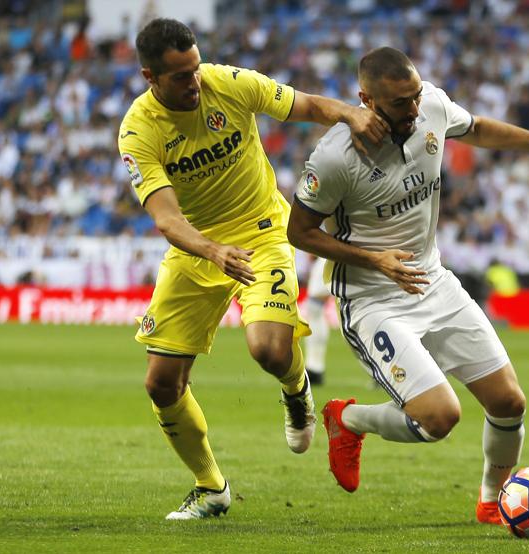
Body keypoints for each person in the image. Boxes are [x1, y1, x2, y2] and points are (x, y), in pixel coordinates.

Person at [287, 47, 529, 524]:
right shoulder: (335, 157)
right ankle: (347, 419)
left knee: (509, 402)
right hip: (372, 299)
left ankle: (491, 500)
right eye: (401, 103)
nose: (414, 109)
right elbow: (300, 233)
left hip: (433, 281)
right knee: (439, 417)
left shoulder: (431, 107)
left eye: (416, 96)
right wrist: (373, 259)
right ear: (367, 100)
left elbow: (477, 128)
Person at [117, 18, 389, 521]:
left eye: (195, 68)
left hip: (263, 232)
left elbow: (304, 105)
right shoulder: (139, 131)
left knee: (267, 349)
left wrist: (351, 114)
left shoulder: (229, 83)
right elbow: (167, 218)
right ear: (149, 77)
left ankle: (296, 389)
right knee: (160, 384)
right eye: (180, 76)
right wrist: (211, 250)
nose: (195, 82)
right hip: (196, 247)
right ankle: (210, 487)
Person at [303, 255, 331, 385]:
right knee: (314, 324)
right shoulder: (320, 263)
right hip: (315, 306)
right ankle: (314, 367)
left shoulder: (323, 262)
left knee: (315, 320)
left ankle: (315, 368)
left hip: (315, 305)